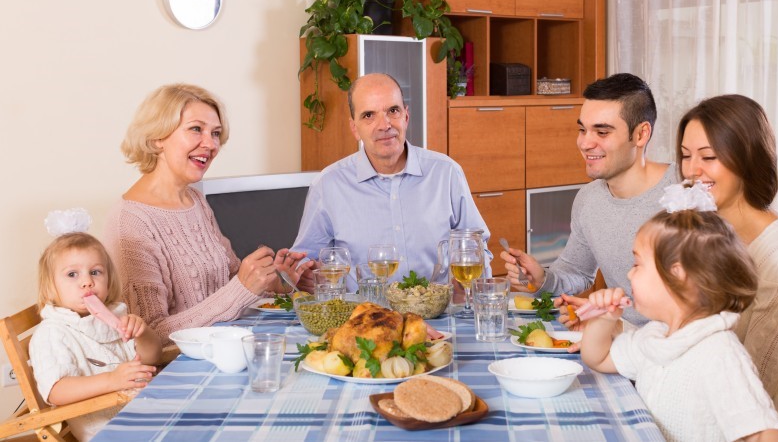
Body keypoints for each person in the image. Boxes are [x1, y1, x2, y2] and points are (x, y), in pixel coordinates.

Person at [104, 83, 309, 346]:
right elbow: (151, 337)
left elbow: (231, 276)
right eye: (196, 129)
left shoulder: (195, 199)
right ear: (157, 137)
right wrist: (242, 289)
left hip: (226, 346)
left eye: (215, 133)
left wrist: (272, 280)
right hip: (178, 367)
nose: (210, 144)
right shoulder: (131, 222)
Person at [581, 190, 778, 442]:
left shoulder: (718, 353)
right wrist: (605, 319)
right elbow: (598, 358)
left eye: (637, 264)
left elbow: (766, 433)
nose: (629, 275)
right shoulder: (657, 337)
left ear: (677, 275)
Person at [678, 94, 778, 441]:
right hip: (725, 404)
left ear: (746, 159)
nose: (692, 170)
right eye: (685, 155)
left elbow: (757, 377)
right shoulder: (709, 233)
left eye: (708, 157)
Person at [501, 73, 676, 327]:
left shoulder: (684, 192)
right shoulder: (589, 199)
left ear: (640, 135)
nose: (584, 143)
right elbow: (577, 272)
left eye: (602, 132)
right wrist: (541, 280)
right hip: (617, 345)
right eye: (582, 129)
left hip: (673, 351)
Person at [291, 73, 491, 290]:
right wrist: (304, 273)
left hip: (440, 317)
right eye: (369, 115)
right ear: (354, 128)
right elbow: (305, 261)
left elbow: (479, 251)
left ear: (406, 116)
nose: (384, 125)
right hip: (365, 318)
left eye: (392, 111)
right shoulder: (328, 185)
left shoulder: (447, 173)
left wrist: (469, 288)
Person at [30, 215, 162, 442]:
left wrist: (144, 334)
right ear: (51, 288)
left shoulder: (116, 315)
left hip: (148, 415)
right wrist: (112, 380)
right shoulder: (52, 334)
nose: (87, 282)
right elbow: (56, 391)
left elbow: (152, 358)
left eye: (95, 272)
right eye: (72, 274)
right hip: (111, 432)